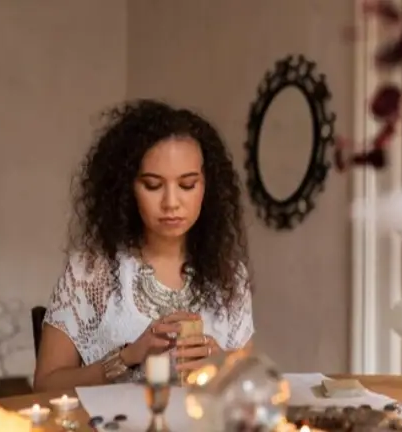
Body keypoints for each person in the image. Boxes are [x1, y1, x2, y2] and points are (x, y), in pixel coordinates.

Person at [33, 100, 253, 391]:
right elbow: (45, 386)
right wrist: (127, 357)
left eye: (187, 185)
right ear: (127, 188)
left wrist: (222, 364)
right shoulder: (91, 272)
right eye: (152, 185)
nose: (171, 203)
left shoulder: (229, 277)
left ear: (207, 188)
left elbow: (251, 387)